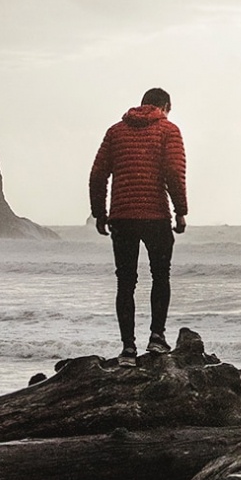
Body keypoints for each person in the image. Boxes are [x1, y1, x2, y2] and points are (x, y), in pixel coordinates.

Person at [88, 87, 188, 359]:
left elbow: (98, 174)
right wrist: (180, 211)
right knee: (160, 276)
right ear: (165, 106)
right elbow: (173, 173)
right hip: (155, 215)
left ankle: (128, 349)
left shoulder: (116, 131)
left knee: (126, 282)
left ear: (142, 104)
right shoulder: (168, 130)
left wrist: (99, 212)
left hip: (121, 216)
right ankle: (157, 338)